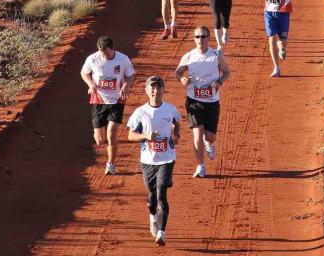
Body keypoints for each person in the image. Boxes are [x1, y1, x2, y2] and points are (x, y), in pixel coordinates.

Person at [127, 75, 182, 246]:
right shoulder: (140, 112)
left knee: (161, 191)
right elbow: (130, 135)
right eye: (152, 87)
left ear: (163, 90)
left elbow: (177, 124)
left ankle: (161, 232)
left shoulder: (171, 110)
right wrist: (145, 136)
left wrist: (176, 136)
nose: (155, 91)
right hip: (147, 160)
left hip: (167, 159)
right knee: (152, 196)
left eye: (158, 87)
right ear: (146, 90)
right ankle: (153, 217)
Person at [174, 26, 230, 178]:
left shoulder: (216, 55)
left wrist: (219, 82)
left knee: (210, 136)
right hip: (194, 101)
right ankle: (200, 166)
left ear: (208, 38)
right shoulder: (189, 56)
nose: (200, 39)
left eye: (203, 36)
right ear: (194, 39)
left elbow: (227, 72)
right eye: (197, 37)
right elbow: (178, 72)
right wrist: (182, 79)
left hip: (212, 102)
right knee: (197, 134)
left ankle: (209, 144)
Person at [80, 36, 136, 175]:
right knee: (100, 140)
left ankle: (110, 164)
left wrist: (126, 87)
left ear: (113, 48)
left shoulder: (123, 59)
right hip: (98, 100)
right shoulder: (93, 58)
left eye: (106, 53)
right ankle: (100, 136)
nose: (103, 56)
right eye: (101, 52)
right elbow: (84, 73)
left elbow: (130, 76)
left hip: (117, 100)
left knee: (112, 133)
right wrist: (91, 84)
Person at [254, 0, 301, 77]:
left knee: (283, 40)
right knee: (271, 39)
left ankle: (282, 47)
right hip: (269, 12)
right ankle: (276, 67)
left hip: (283, 11)